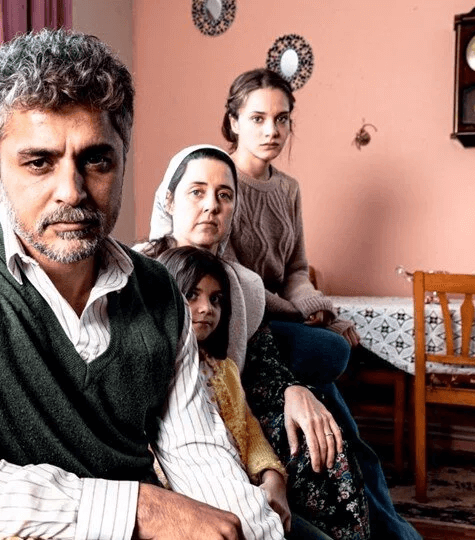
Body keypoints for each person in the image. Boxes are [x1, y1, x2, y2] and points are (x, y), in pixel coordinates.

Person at [0, 30, 284, 540]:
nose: (72, 191)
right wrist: (140, 508)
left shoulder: (157, 289)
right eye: (39, 162)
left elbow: (199, 452)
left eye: (96, 160)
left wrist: (259, 534)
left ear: (123, 163)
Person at [220, 68, 420, 540]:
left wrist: (317, 306)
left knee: (348, 432)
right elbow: (233, 278)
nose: (272, 130)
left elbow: (295, 269)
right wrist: (306, 318)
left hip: (283, 322)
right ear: (233, 122)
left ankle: (393, 532)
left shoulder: (288, 188)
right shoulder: (218, 179)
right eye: (258, 118)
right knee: (331, 351)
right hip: (246, 323)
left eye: (282, 119)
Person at [140, 146, 369, 540]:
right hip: (171, 439)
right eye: (197, 192)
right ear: (169, 199)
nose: (211, 206)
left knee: (324, 426)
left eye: (224, 195)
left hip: (231, 407)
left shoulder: (243, 284)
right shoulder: (135, 271)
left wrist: (295, 391)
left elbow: (256, 367)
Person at [157, 246, 371, 540]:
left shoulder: (224, 370)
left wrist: (273, 478)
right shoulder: (155, 368)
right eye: (192, 295)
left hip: (246, 488)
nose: (206, 308)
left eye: (215, 299)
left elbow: (248, 432)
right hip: (195, 501)